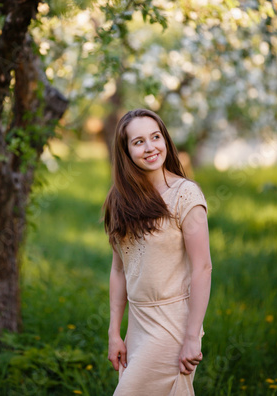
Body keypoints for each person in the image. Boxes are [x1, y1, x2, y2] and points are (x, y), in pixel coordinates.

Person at [103, 108, 212, 396]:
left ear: (165, 140)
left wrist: (192, 337)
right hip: (138, 325)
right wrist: (114, 333)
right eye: (138, 142)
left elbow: (203, 267)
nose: (150, 147)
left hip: (172, 323)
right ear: (126, 151)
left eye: (155, 137)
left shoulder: (185, 194)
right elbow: (118, 269)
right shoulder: (119, 199)